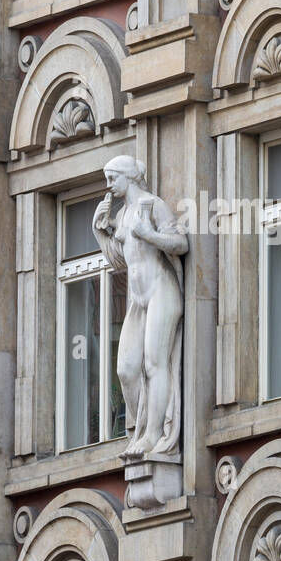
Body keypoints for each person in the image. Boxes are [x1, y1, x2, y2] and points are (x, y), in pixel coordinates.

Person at [93, 156, 188, 460]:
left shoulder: (152, 204)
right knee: (126, 369)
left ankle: (154, 434)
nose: (109, 185)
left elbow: (180, 244)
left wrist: (149, 234)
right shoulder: (122, 215)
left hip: (162, 290)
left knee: (154, 364)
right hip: (138, 299)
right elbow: (120, 261)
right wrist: (100, 232)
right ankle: (142, 426)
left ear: (130, 177)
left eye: (113, 177)